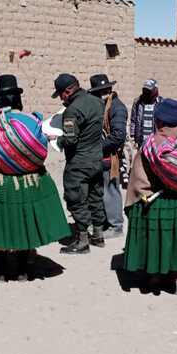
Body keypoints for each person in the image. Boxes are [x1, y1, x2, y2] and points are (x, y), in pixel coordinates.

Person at [0, 75, 70, 280]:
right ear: (18, 99)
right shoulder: (31, 121)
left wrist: (1, 158)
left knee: (1, 223)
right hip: (28, 181)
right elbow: (41, 149)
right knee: (25, 224)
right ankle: (24, 270)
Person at [123, 98, 177, 294]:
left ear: (158, 121)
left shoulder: (152, 143)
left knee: (158, 240)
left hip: (157, 202)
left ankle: (154, 278)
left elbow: (139, 176)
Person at [50, 73, 106, 254]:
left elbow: (71, 139)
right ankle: (98, 234)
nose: (60, 98)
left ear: (68, 91)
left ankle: (82, 240)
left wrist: (56, 140)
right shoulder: (98, 102)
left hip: (79, 162)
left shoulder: (72, 110)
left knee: (76, 198)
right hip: (96, 159)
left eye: (60, 94)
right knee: (95, 196)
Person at [88, 73, 128, 239]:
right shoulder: (104, 107)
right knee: (101, 190)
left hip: (109, 156)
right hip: (100, 156)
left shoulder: (116, 108)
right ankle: (105, 222)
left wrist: (96, 147)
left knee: (110, 190)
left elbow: (118, 136)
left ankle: (116, 225)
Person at [129, 79, 163, 147]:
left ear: (155, 90)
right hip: (141, 141)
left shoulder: (161, 102)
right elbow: (133, 120)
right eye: (145, 90)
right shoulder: (138, 102)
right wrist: (133, 137)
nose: (146, 92)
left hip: (156, 142)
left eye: (148, 91)